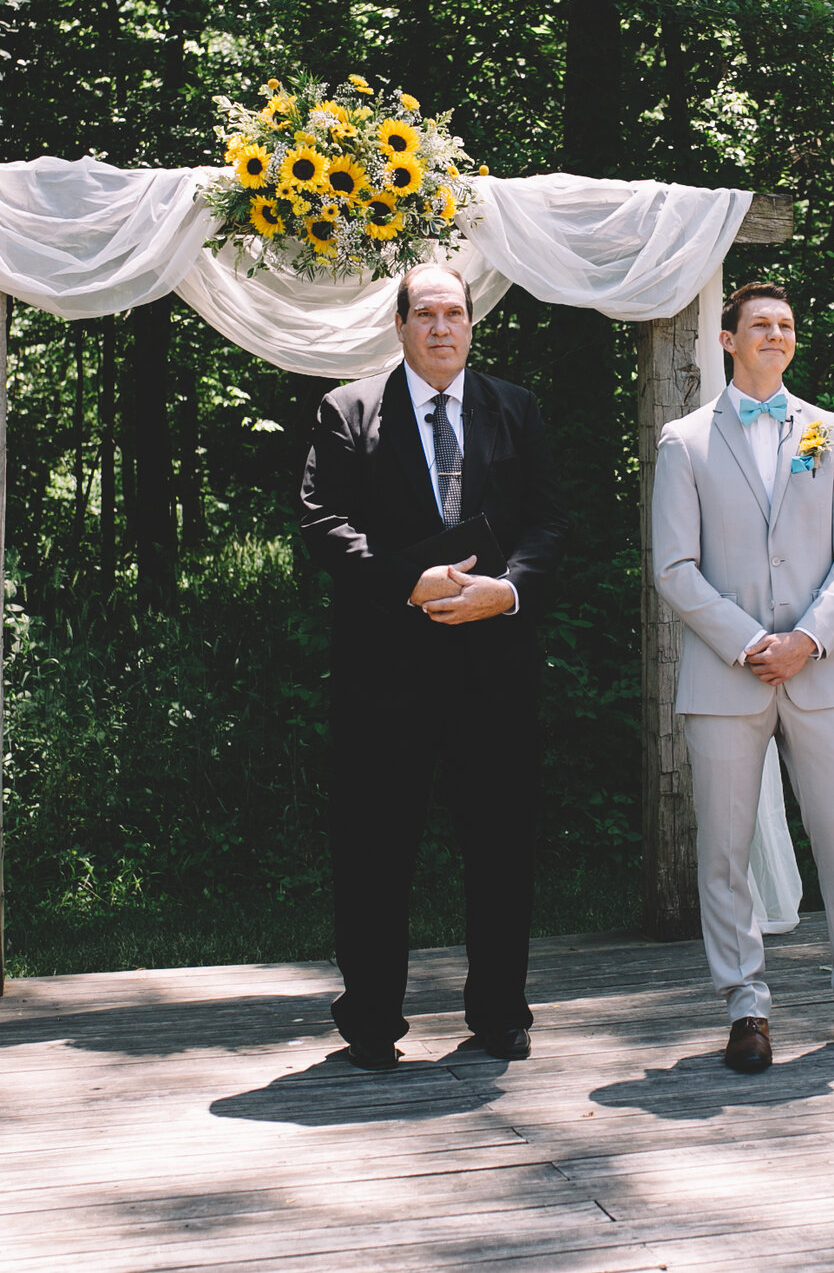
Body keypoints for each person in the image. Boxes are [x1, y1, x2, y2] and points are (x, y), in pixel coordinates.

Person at [651, 281, 834, 1074]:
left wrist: (806, 637)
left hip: (825, 667)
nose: (775, 334)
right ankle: (745, 1006)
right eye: (760, 325)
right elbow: (673, 567)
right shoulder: (685, 441)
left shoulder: (831, 432)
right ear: (728, 339)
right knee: (726, 847)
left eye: (786, 324)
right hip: (726, 674)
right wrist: (750, 643)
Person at [299, 265, 568, 1069]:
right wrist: (403, 581)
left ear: (472, 323)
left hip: (495, 666)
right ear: (401, 324)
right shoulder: (348, 410)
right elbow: (322, 521)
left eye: (455, 312)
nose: (442, 327)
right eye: (426, 313)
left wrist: (510, 591)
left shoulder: (515, 408)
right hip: (386, 671)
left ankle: (500, 1012)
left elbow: (551, 521)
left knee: (500, 843)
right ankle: (372, 1020)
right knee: (377, 847)